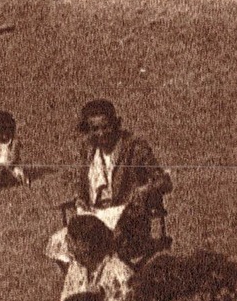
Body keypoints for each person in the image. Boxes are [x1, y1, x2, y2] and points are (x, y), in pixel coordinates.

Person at [46, 99, 174, 265]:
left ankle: (105, 282)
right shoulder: (89, 149)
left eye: (106, 127)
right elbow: (82, 183)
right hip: (95, 216)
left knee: (90, 247)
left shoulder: (134, 148)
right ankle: (85, 286)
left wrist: (144, 189)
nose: (101, 133)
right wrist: (80, 199)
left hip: (127, 222)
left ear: (117, 123)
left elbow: (164, 181)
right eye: (94, 129)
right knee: (64, 243)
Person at [54, 215, 137, 301]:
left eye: (71, 239)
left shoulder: (119, 274)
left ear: (86, 245)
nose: (66, 242)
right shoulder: (76, 268)